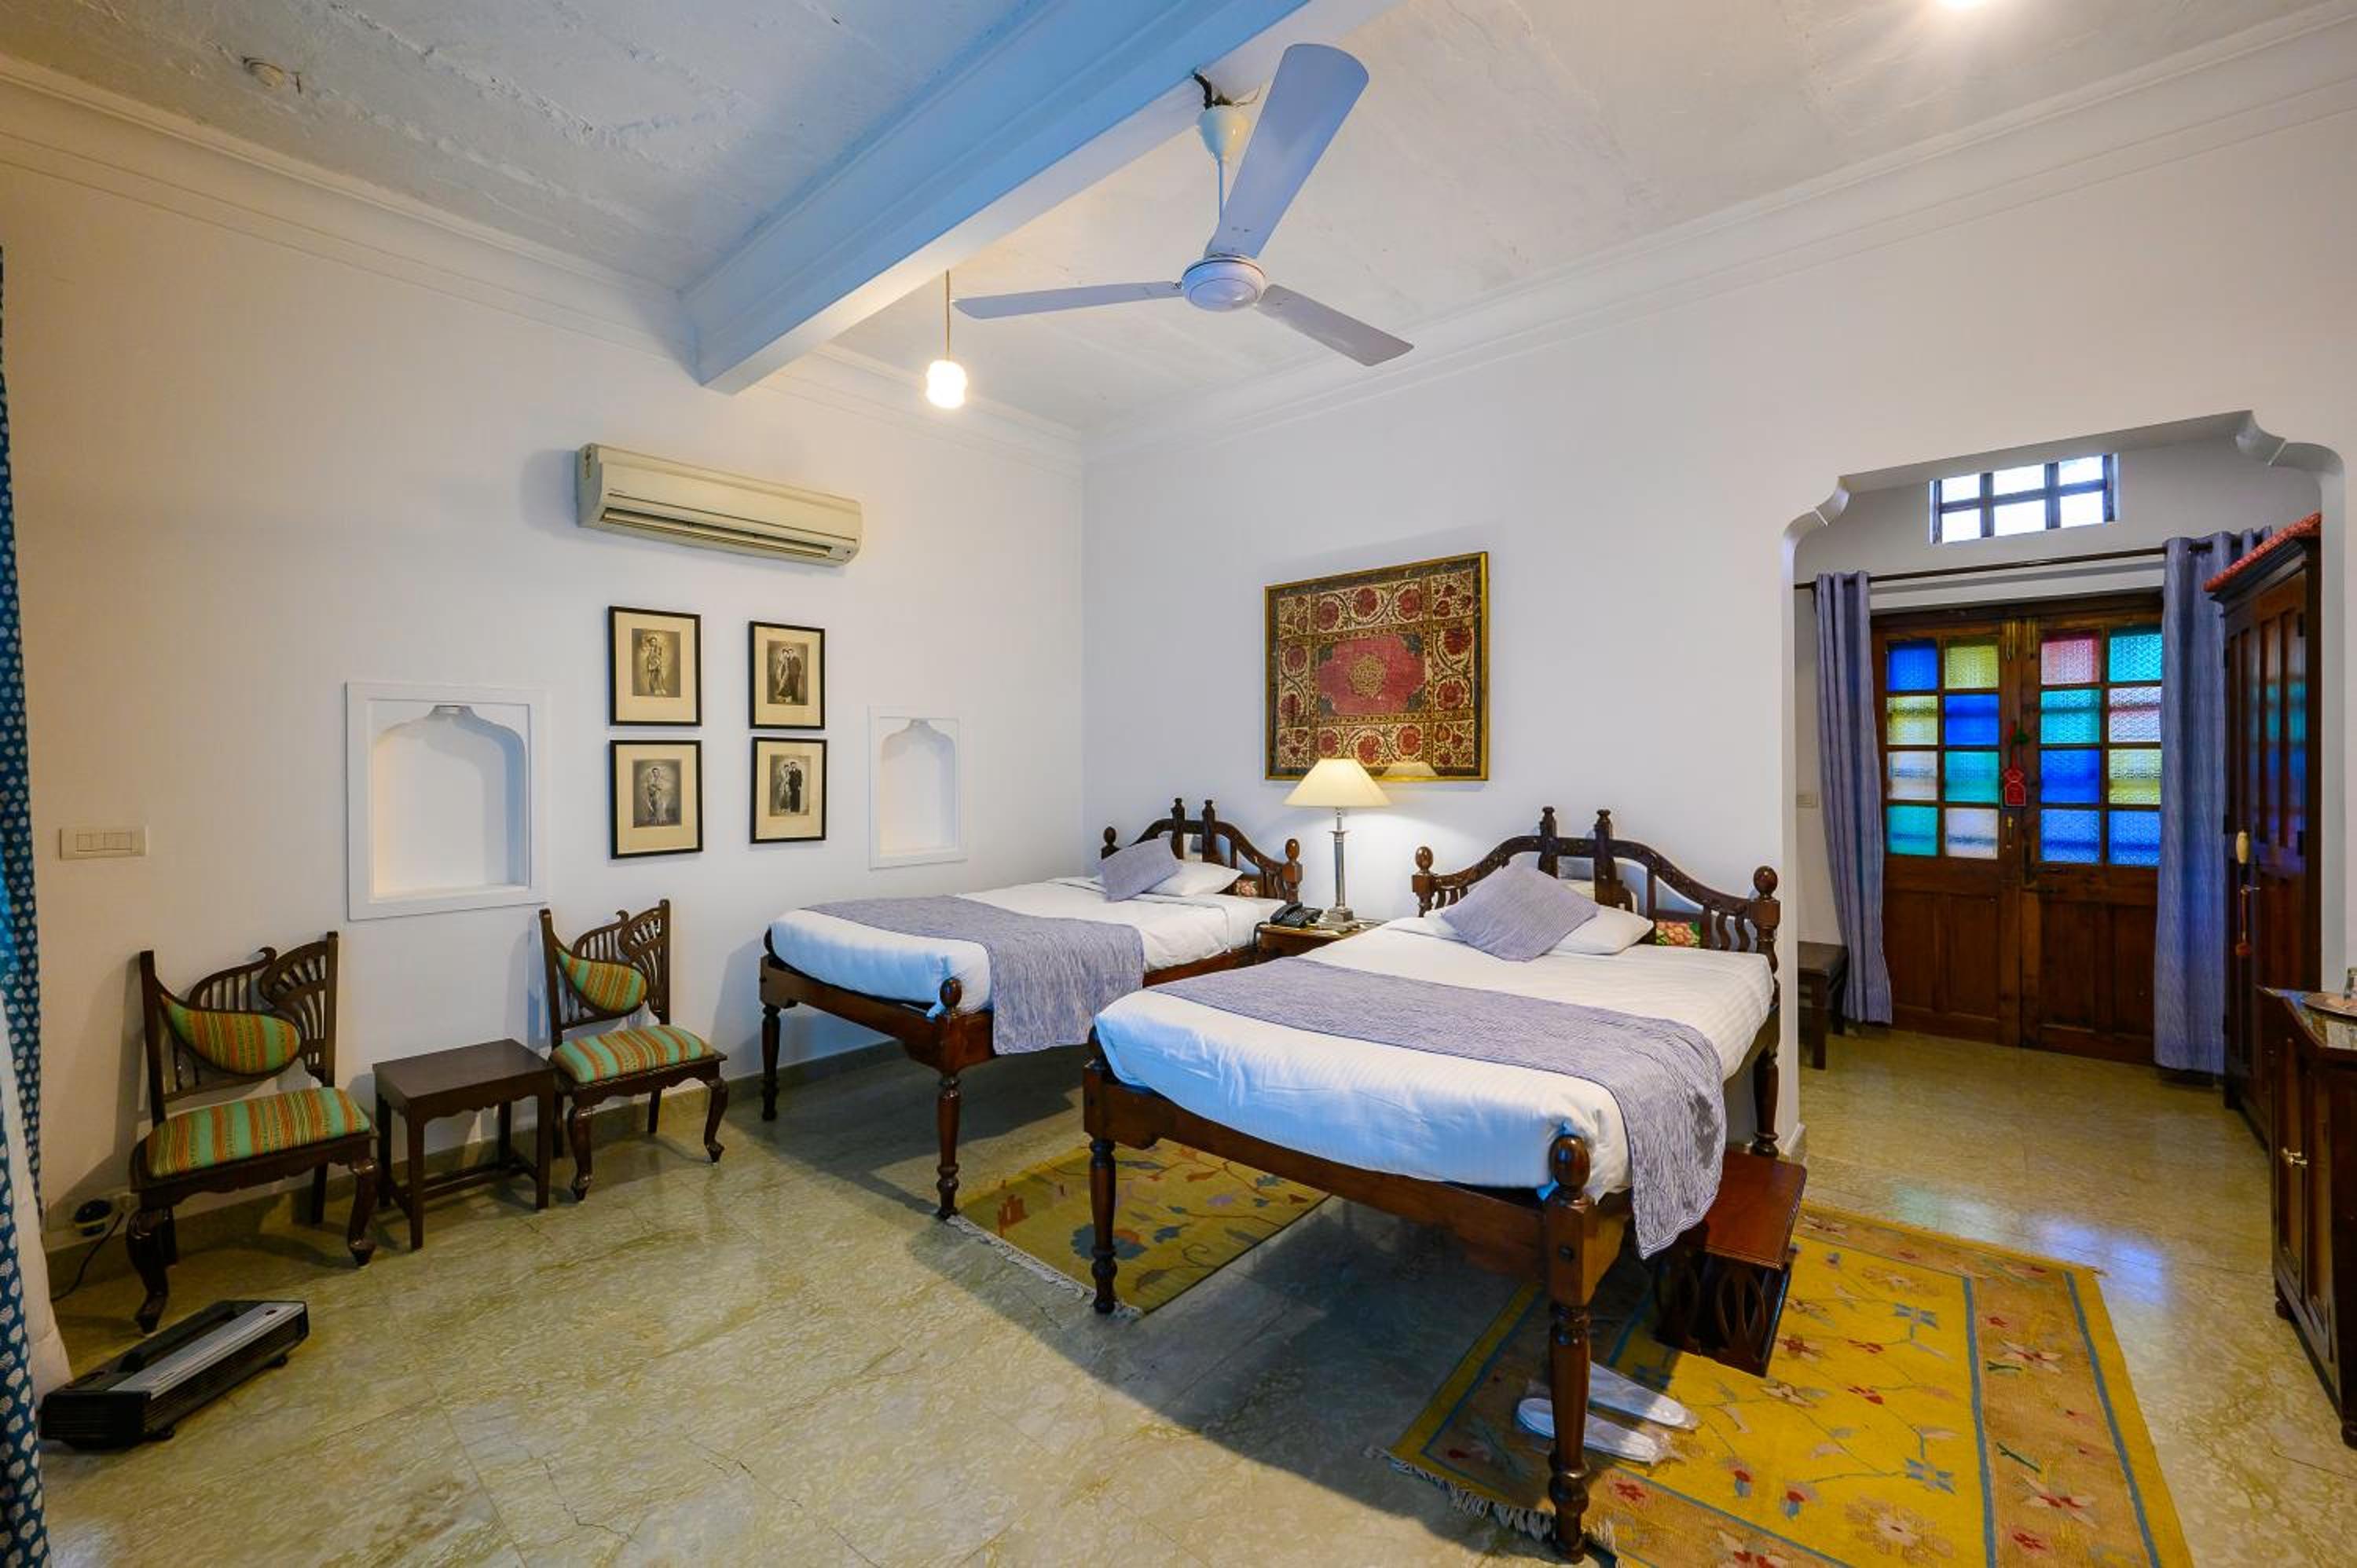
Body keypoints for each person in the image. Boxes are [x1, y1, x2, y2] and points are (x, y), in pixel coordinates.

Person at [638, 762, 677, 826]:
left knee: (659, 808)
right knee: (652, 809)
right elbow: (649, 788)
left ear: (658, 773)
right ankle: (654, 821)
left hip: (659, 797)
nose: (655, 774)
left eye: (656, 772)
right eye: (654, 773)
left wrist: (655, 787)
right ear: (653, 773)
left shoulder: (661, 780)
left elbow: (661, 788)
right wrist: (651, 789)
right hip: (652, 796)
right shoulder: (652, 780)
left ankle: (660, 821)